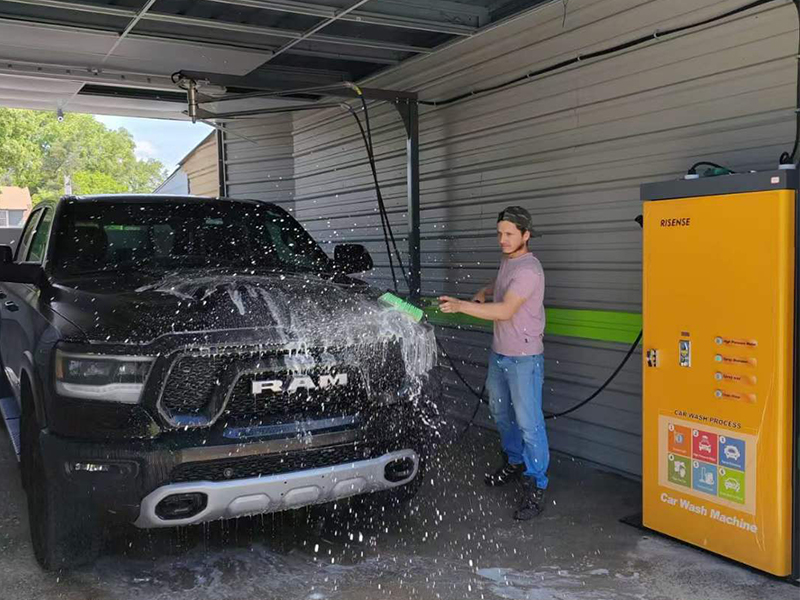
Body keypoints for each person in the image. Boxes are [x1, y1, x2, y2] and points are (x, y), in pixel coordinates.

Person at [438, 206, 548, 520]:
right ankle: (514, 461)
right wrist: (484, 291)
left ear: (526, 235)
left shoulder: (530, 270)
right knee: (500, 412)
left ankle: (536, 483)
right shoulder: (509, 261)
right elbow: (501, 284)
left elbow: (505, 310)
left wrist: (461, 306)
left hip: (524, 358)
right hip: (499, 354)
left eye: (509, 234)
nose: (503, 239)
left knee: (529, 423)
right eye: (500, 233)